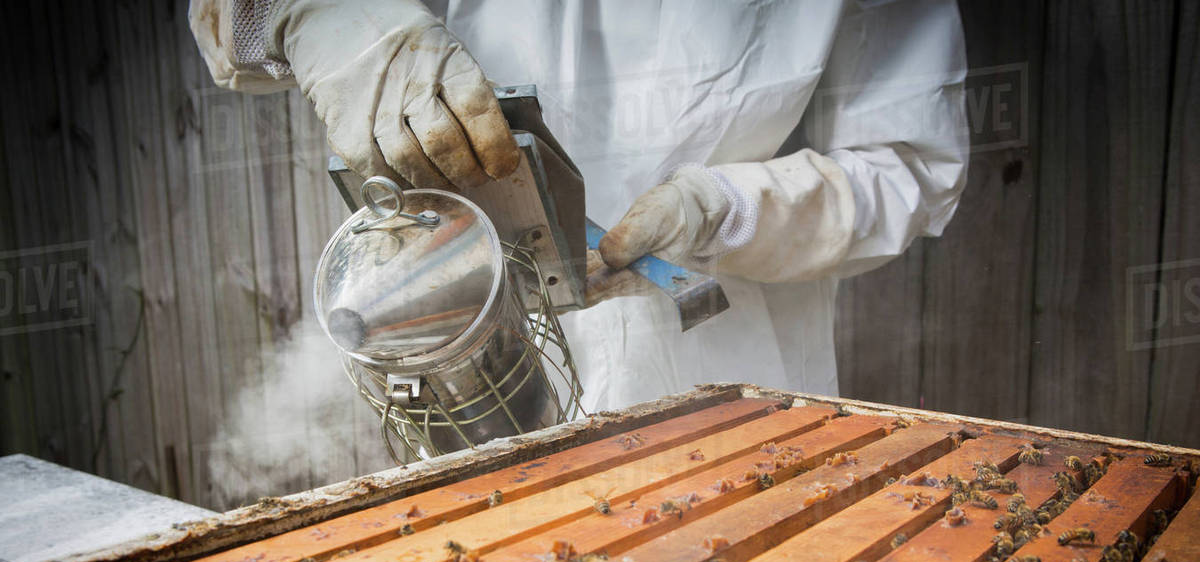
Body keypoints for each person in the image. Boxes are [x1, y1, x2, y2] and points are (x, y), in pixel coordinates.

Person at [191, 0, 968, 411]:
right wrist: (331, 17)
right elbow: (238, 23)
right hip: (473, 342)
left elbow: (906, 167)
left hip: (738, 361)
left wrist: (720, 206)